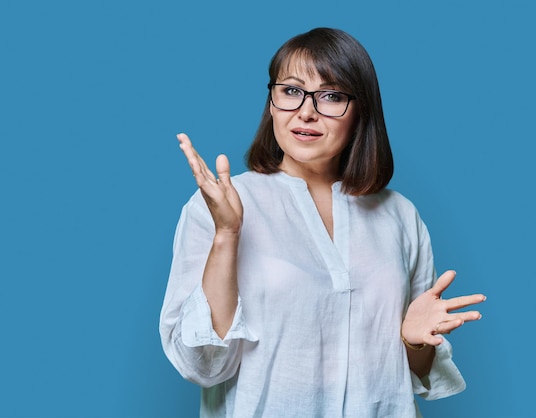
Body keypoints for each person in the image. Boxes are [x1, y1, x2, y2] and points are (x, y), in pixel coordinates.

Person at [160, 27, 486, 418]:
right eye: (291, 91)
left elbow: (413, 375)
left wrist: (414, 343)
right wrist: (227, 234)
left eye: (331, 96)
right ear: (271, 102)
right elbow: (203, 366)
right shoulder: (219, 206)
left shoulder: (399, 215)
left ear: (360, 111)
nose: (306, 111)